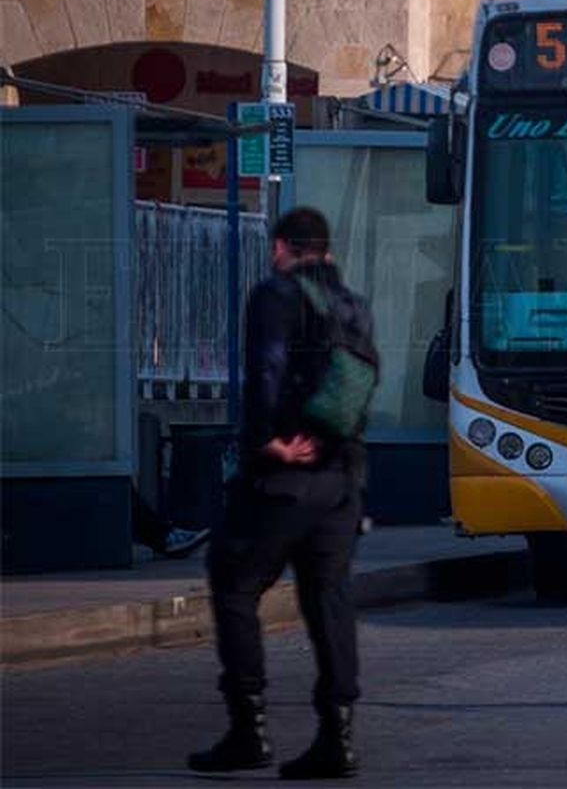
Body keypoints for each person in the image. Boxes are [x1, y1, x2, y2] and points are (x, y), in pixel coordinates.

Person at [189, 208, 376, 779]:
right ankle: (337, 737)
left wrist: (265, 445)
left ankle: (250, 730)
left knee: (234, 581)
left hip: (287, 475)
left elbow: (265, 372)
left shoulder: (277, 295)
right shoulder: (353, 304)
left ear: (282, 248)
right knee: (329, 598)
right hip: (342, 480)